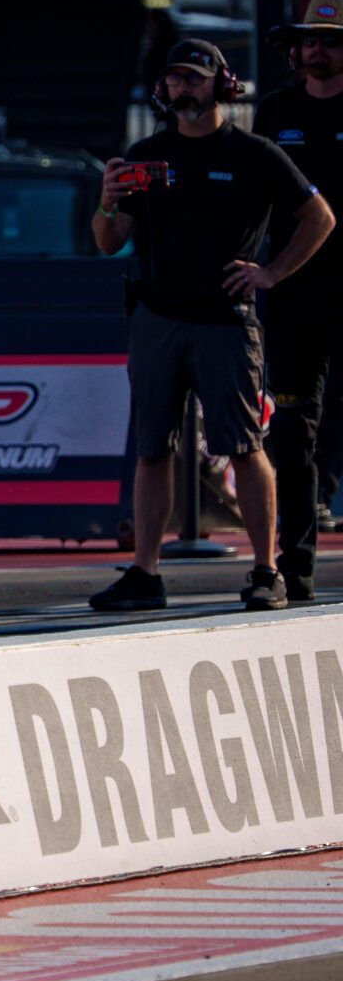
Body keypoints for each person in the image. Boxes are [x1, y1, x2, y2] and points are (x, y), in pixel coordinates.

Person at [90, 39, 333, 613]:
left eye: (195, 78)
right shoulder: (148, 153)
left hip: (226, 321)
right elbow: (108, 241)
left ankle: (266, 570)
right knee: (153, 449)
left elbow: (319, 216)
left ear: (222, 85)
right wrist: (106, 201)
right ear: (163, 87)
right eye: (175, 79)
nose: (184, 88)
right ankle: (145, 573)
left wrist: (272, 272)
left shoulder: (253, 153)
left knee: (245, 446)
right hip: (158, 318)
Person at [253, 0, 343, 601]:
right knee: (291, 431)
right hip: (293, 289)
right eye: (311, 40)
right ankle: (297, 564)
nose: (317, 51)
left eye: (331, 43)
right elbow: (250, 199)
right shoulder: (275, 111)